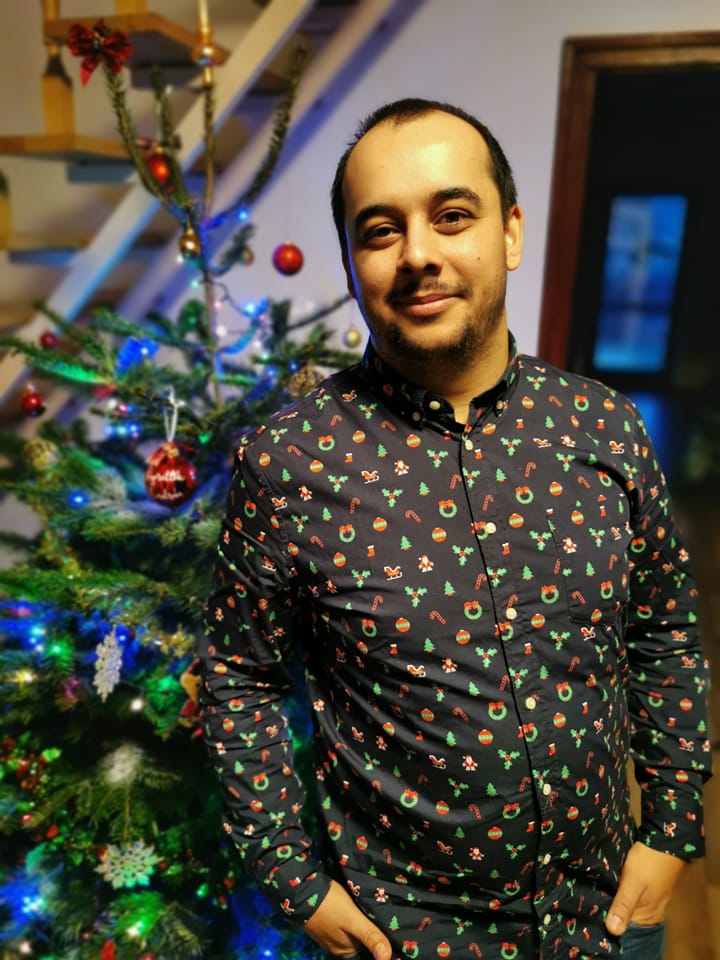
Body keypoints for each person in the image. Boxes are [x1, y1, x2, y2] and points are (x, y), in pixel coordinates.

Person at [199, 98, 712, 960]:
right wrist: (295, 880)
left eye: (451, 215)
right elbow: (236, 679)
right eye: (380, 230)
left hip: (608, 921)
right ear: (353, 263)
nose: (418, 255)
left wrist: (672, 828)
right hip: (406, 935)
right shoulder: (288, 463)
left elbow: (663, 636)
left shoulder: (607, 428)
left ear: (509, 233)